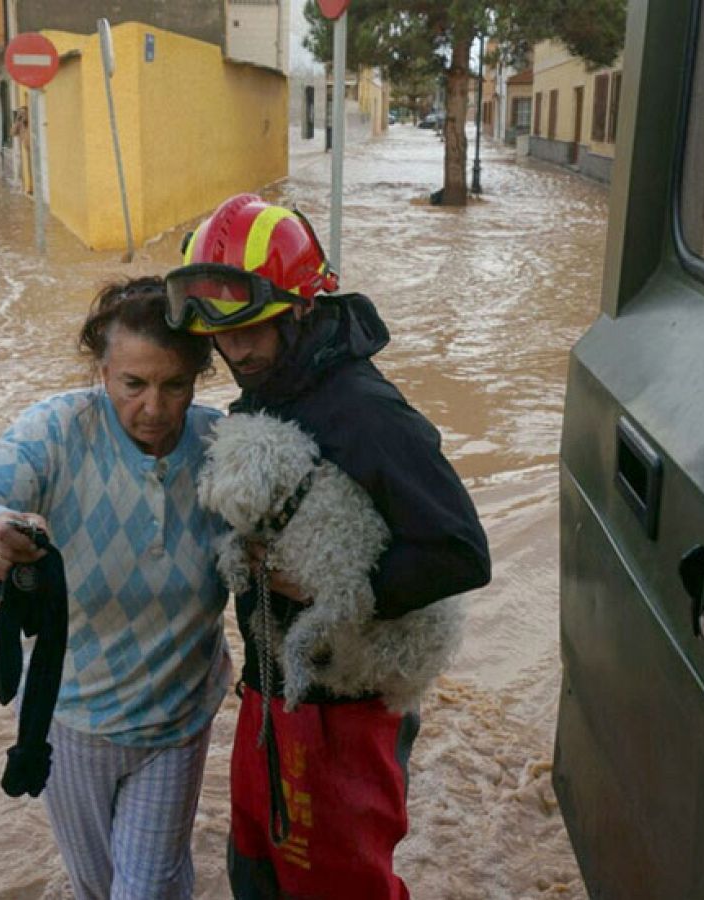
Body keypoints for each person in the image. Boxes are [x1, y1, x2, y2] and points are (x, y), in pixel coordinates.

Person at [164, 194, 492, 898]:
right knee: (254, 873)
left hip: (346, 716)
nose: (238, 349)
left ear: (303, 308)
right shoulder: (270, 388)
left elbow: (462, 552)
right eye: (223, 334)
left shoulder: (364, 412)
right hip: (271, 696)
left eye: (256, 327)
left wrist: (326, 590)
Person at [0, 278, 229, 900]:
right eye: (133, 385)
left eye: (175, 386)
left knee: (143, 889)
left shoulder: (223, 447)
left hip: (176, 719)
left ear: (200, 376)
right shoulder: (59, 432)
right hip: (73, 720)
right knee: (97, 886)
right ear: (103, 370)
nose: (154, 408)